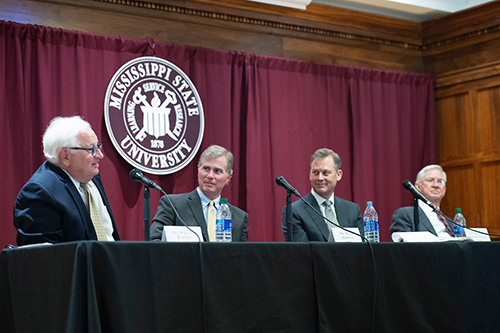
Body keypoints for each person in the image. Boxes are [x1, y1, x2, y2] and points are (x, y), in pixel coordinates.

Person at [14, 116, 120, 245]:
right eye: (91, 149)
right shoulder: (40, 193)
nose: (99, 155)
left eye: (98, 146)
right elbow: (43, 259)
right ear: (65, 156)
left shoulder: (90, 176)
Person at [150, 145, 248, 241]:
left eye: (217, 171)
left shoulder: (239, 218)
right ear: (198, 170)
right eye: (206, 169)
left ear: (228, 178)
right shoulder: (173, 205)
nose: (210, 175)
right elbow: (154, 242)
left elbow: (244, 255)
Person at [281, 148, 363, 241]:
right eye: (315, 172)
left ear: (338, 175)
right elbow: (301, 252)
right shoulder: (295, 211)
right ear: (310, 174)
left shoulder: (352, 210)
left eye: (325, 173)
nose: (320, 178)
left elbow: (362, 249)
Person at [390, 164, 454, 238]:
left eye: (440, 181)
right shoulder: (406, 215)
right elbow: (403, 248)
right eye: (431, 180)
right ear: (418, 186)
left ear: (444, 189)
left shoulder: (450, 222)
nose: (436, 185)